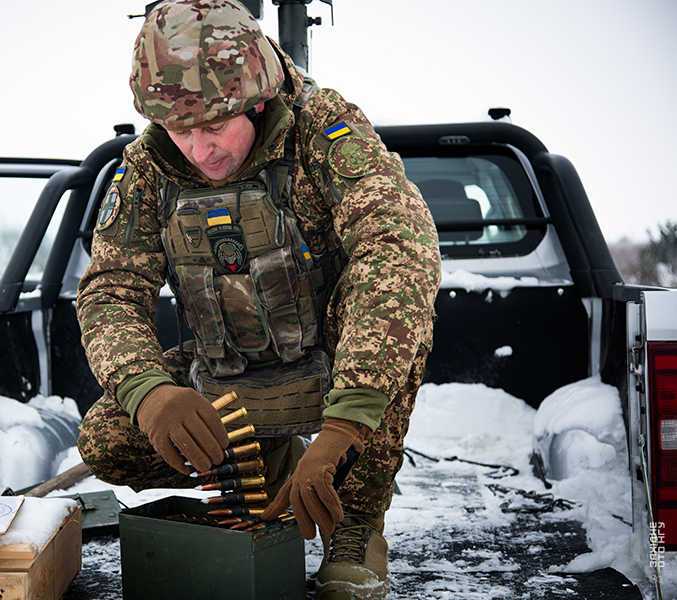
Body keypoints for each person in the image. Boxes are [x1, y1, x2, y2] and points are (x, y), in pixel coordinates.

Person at [76, 1, 441, 597]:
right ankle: (268, 473)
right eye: (180, 131)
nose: (198, 150)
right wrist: (151, 392)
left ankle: (356, 521)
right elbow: (111, 290)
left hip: (330, 368)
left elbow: (398, 247)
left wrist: (343, 430)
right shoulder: (146, 168)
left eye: (215, 126)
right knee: (107, 439)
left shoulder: (324, 130)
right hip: (231, 370)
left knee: (393, 308)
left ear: (259, 99)